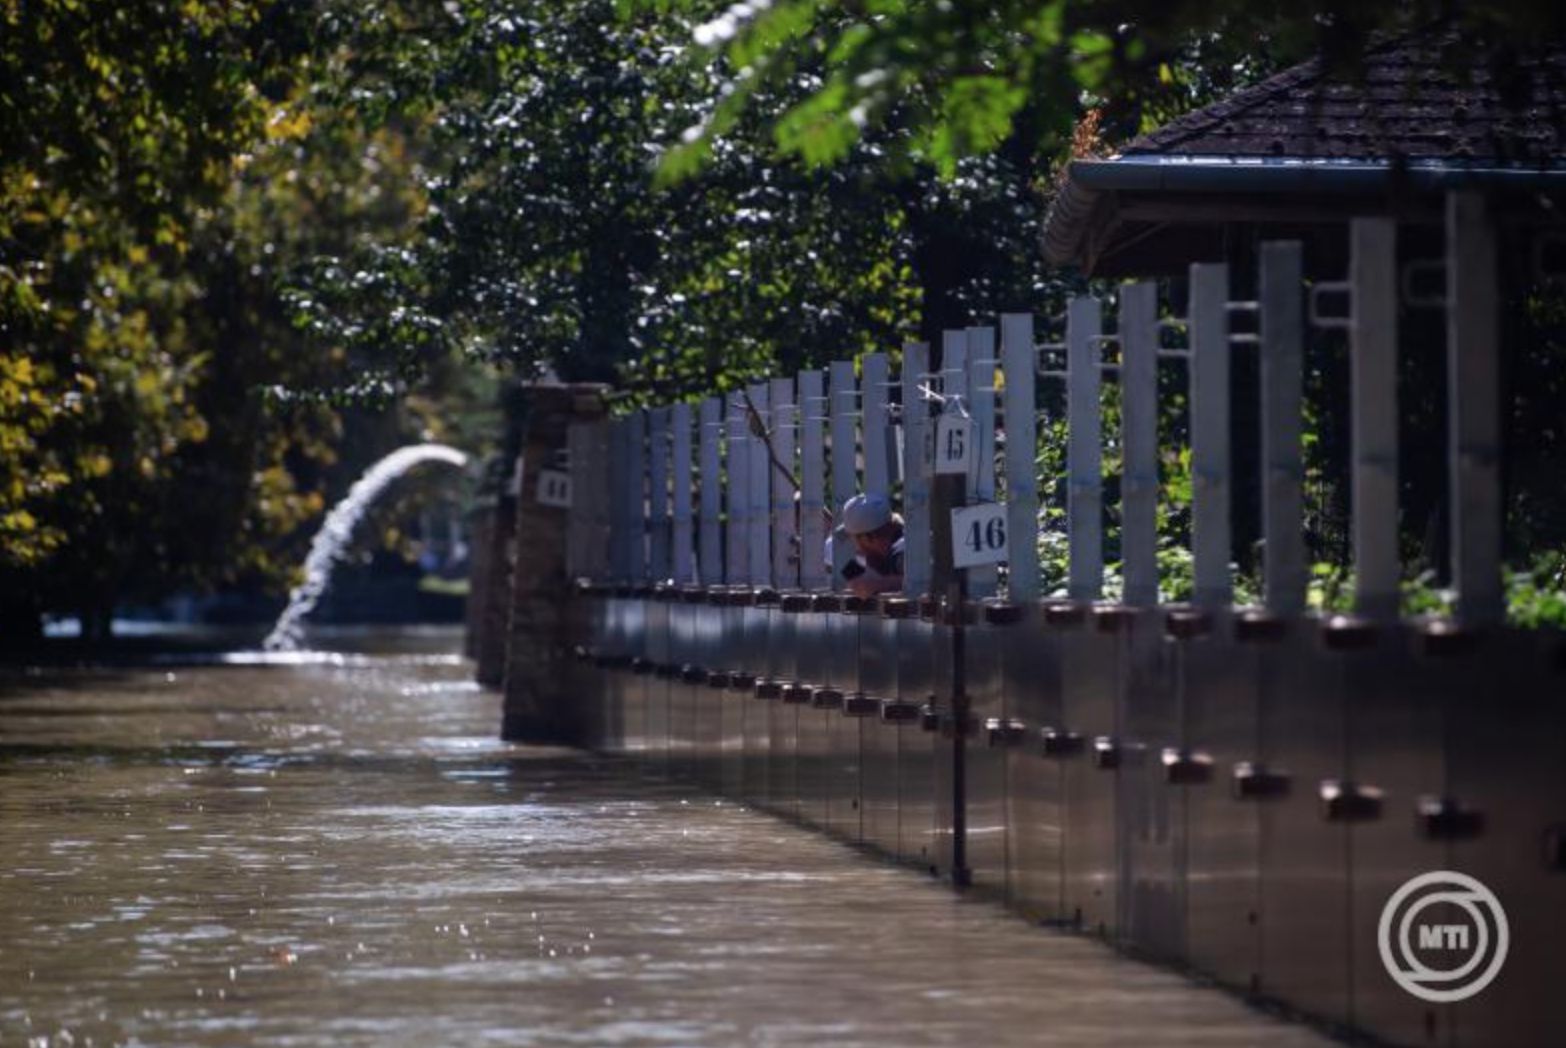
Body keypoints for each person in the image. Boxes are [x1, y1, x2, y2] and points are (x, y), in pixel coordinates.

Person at [839, 492, 904, 598]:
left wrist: (877, 585)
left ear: (865, 538)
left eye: (853, 537)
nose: (854, 543)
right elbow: (850, 578)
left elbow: (924, 582)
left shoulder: (903, 551)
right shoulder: (876, 554)